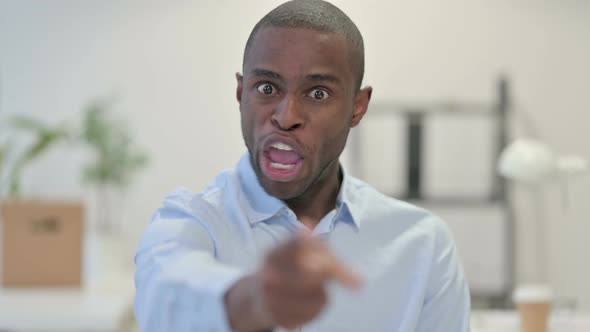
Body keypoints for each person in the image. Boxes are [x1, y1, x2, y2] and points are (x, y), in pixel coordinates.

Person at [134, 0, 470, 331]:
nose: (286, 116)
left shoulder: (423, 244)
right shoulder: (191, 221)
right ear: (241, 93)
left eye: (318, 93)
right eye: (267, 88)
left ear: (357, 107)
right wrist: (257, 299)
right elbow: (166, 299)